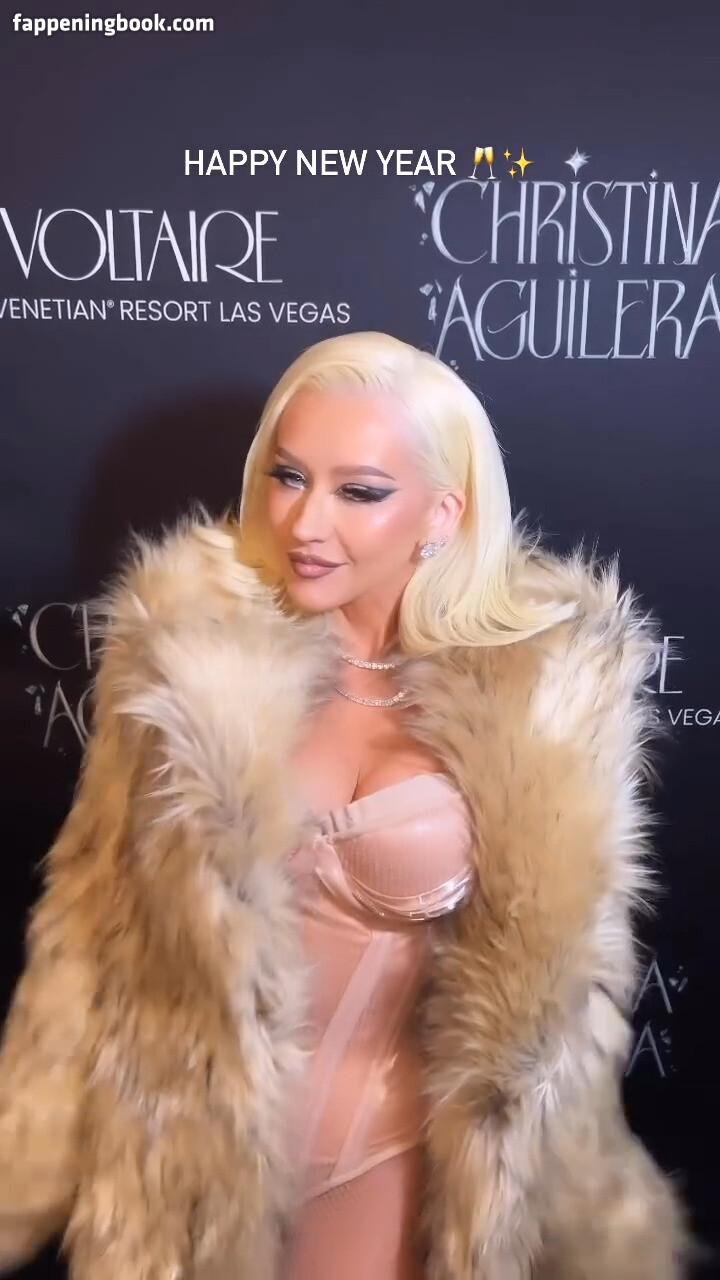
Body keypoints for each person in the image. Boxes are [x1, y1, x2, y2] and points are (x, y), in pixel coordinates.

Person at [0, 331, 686, 1279]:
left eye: (359, 492)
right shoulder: (187, 661)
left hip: (403, 1173)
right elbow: (86, 924)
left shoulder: (549, 702)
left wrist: (595, 1222)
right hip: (192, 1166)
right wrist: (21, 1169)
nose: (304, 522)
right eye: (288, 476)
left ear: (442, 512)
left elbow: (569, 1009)